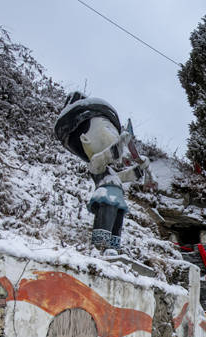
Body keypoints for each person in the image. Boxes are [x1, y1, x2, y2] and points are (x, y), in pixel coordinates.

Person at [54, 93, 150, 253]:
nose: (114, 135)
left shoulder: (111, 171)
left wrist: (139, 170)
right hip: (105, 196)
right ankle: (101, 245)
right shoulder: (96, 163)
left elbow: (124, 177)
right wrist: (120, 144)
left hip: (118, 198)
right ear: (85, 139)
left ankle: (114, 246)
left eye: (115, 131)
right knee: (105, 218)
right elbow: (108, 154)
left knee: (118, 221)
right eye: (108, 129)